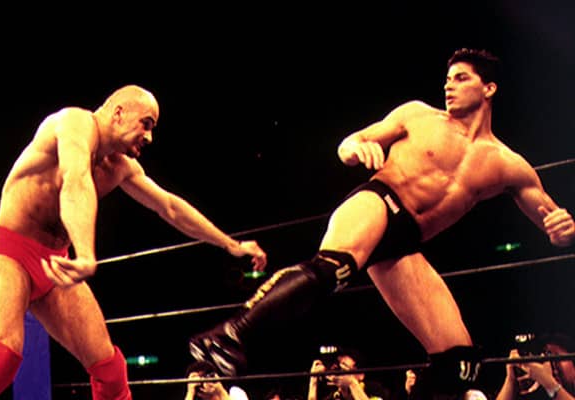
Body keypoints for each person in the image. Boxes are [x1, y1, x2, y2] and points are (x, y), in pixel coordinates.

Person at [189, 47, 575, 393]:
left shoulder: (508, 165)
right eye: (447, 79)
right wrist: (357, 149)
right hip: (379, 201)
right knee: (333, 268)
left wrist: (565, 232)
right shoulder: (418, 115)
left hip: (406, 242)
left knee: (461, 362)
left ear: (488, 88)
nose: (449, 86)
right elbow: (349, 143)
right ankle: (226, 336)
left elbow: (553, 220)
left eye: (461, 78)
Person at [0, 84, 267, 399]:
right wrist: (85, 253)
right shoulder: (74, 123)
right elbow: (76, 181)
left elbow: (170, 207)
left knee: (110, 371)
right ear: (118, 113)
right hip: (13, 252)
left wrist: (230, 244)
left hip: (56, 264)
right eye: (146, 124)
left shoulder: (120, 167)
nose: (149, 137)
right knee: (0, 362)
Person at [496, 333, 575, 400]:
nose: (552, 365)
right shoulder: (543, 392)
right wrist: (511, 379)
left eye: (556, 357)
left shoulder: (550, 386)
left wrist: (548, 382)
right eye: (547, 357)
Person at [307, 348, 388, 400]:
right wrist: (313, 381)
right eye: (339, 367)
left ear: (360, 374)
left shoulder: (373, 389)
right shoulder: (335, 396)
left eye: (345, 368)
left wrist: (352, 383)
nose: (339, 372)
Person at [184, 360, 250, 400]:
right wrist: (190, 393)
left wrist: (220, 391)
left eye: (206, 376)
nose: (204, 382)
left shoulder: (235, 392)